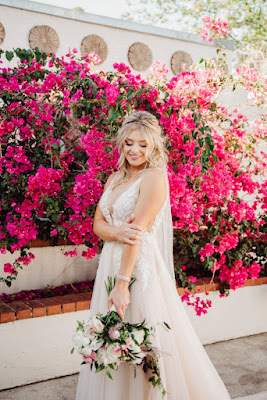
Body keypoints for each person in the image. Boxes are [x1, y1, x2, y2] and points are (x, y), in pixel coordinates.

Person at [75, 111, 231, 400]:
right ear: (121, 144)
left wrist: (122, 284)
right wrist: (117, 233)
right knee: (111, 341)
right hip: (109, 265)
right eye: (130, 143)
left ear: (154, 147)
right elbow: (98, 225)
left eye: (143, 145)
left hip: (135, 270)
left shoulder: (154, 178)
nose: (135, 150)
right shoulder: (114, 178)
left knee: (141, 341)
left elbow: (136, 234)